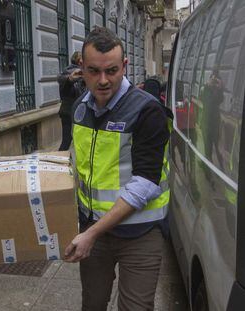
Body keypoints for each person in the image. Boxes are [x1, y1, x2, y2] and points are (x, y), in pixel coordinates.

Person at [64, 27, 173, 311]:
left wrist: (91, 232)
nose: (103, 80)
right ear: (81, 69)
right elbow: (78, 166)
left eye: (112, 71)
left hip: (140, 233)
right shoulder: (79, 108)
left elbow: (145, 183)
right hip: (95, 231)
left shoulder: (148, 111)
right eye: (94, 71)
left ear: (124, 66)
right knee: (93, 304)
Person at [57, 51, 86, 150]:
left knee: (68, 141)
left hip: (68, 112)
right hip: (71, 112)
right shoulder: (75, 74)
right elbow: (70, 92)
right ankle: (60, 161)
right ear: (79, 61)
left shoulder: (66, 72)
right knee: (67, 142)